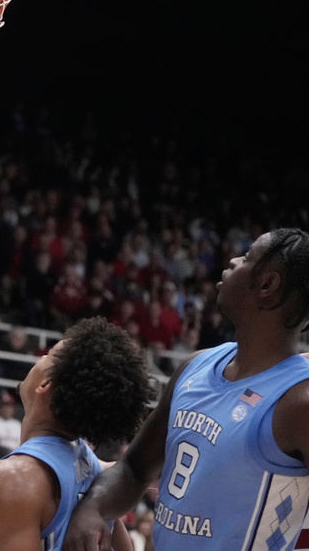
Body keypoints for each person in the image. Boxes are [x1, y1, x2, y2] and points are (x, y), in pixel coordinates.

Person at [65, 229, 309, 551]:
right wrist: (93, 507)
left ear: (267, 285)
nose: (233, 262)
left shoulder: (299, 400)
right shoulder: (195, 365)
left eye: (246, 258)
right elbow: (134, 468)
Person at [0, 317, 152, 550]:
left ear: (45, 384)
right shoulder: (85, 459)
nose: (40, 358)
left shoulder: (13, 479)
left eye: (48, 356)